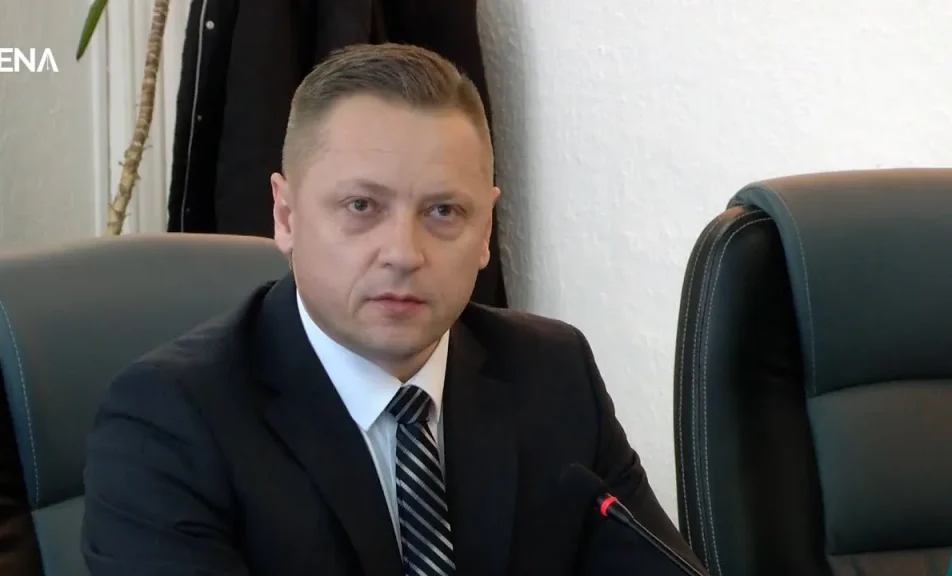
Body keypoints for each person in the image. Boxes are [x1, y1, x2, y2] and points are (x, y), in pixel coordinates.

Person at [81, 43, 702, 575]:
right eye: (361, 206)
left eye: (443, 211)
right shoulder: (168, 422)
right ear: (286, 216)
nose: (404, 253)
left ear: (485, 230)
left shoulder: (553, 372)